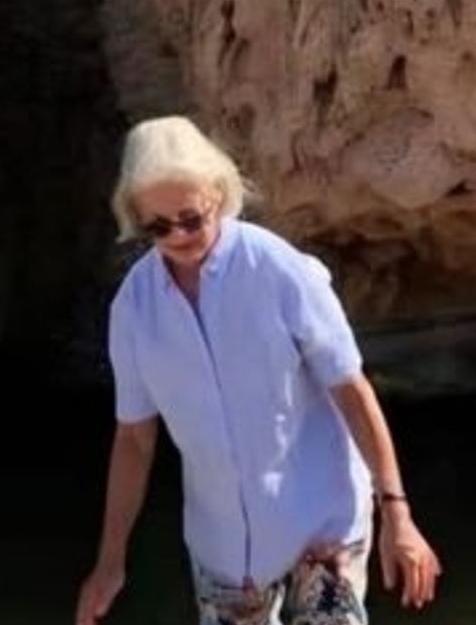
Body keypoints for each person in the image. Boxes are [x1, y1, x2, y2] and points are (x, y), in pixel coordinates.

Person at [75, 117, 442, 625]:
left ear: (219, 197)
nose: (178, 235)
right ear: (136, 221)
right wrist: (110, 562)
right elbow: (135, 439)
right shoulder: (134, 309)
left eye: (191, 218)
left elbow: (351, 390)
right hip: (222, 551)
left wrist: (397, 514)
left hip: (322, 528)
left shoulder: (278, 270)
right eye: (158, 227)